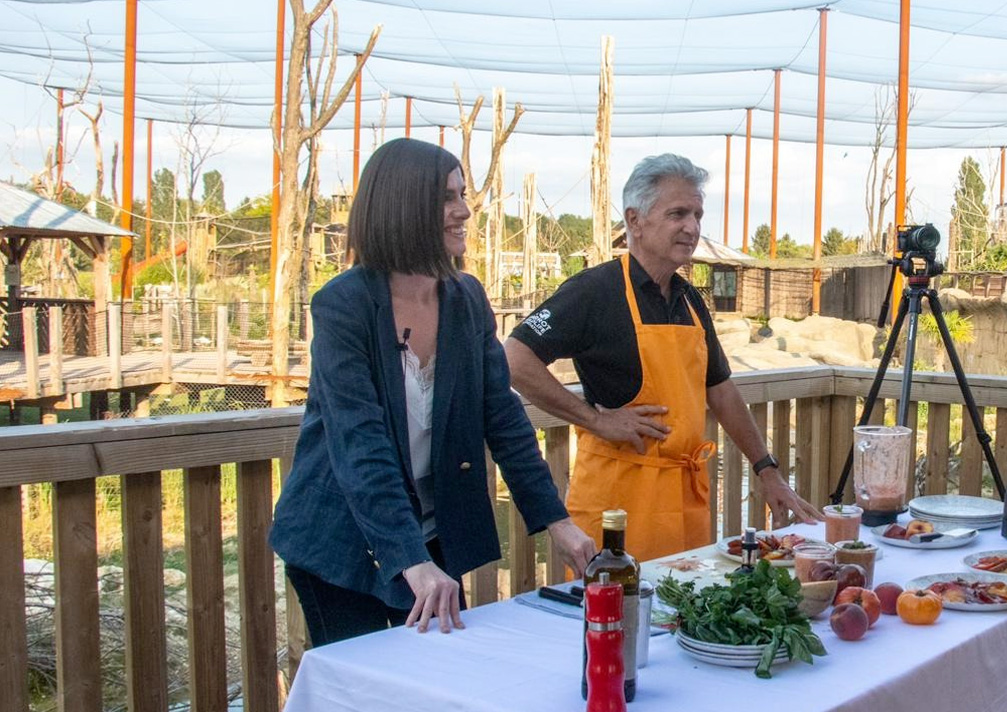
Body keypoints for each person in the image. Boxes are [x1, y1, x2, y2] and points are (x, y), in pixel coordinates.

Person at [270, 138, 595, 647]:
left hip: (430, 531)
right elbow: (361, 444)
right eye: (448, 197)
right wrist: (411, 562)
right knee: (363, 690)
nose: (464, 210)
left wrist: (558, 521)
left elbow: (503, 418)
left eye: (463, 194)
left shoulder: (465, 298)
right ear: (404, 204)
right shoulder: (343, 305)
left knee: (440, 671)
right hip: (343, 539)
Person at [504, 153, 822, 563]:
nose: (692, 227)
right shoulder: (594, 292)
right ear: (635, 220)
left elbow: (720, 389)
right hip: (617, 506)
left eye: (697, 214)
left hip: (685, 498)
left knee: (683, 609)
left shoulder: (689, 299)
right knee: (615, 618)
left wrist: (768, 471)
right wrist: (597, 419)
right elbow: (514, 357)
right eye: (678, 214)